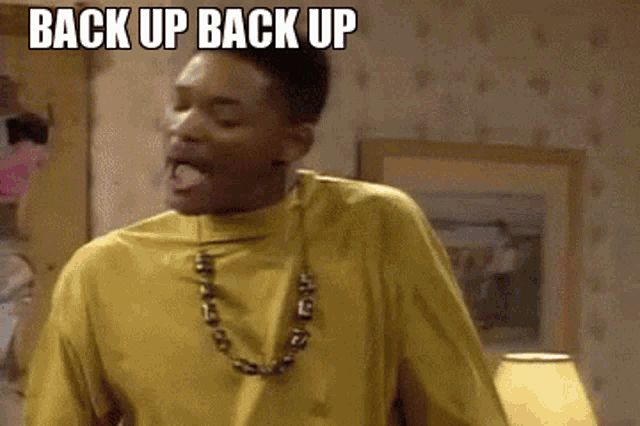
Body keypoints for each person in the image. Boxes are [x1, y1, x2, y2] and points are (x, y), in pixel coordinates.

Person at [24, 38, 510, 425]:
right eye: (180, 104)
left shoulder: (377, 227)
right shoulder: (102, 272)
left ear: (293, 142)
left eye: (224, 117)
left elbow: (460, 410)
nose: (184, 129)